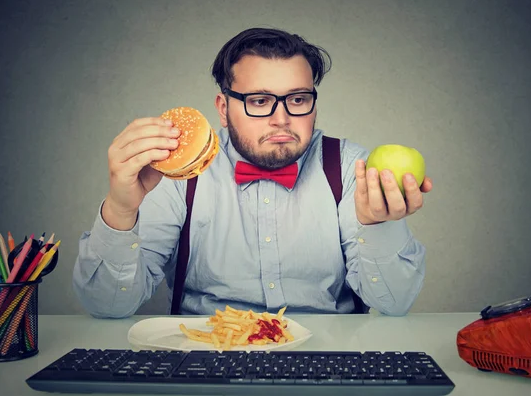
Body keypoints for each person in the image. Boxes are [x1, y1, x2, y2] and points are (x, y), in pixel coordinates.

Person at [73, 27, 433, 318]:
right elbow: (109, 306)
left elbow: (393, 304)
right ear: (224, 108)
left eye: (298, 99)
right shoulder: (176, 172)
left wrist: (377, 225)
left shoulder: (352, 167)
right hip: (207, 361)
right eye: (259, 101)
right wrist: (121, 210)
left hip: (326, 361)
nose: (282, 118)